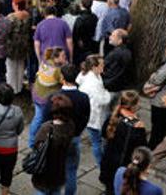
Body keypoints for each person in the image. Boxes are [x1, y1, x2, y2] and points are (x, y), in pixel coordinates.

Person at [52, 64, 91, 195]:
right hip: (74, 137)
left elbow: (47, 119)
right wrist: (78, 131)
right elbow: (86, 117)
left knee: (56, 169)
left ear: (62, 78)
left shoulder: (55, 97)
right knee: (71, 170)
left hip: (57, 138)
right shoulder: (83, 97)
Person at [99, 91, 148, 195]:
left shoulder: (113, 117)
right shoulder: (137, 127)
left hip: (109, 161)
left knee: (109, 188)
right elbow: (141, 149)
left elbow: (103, 134)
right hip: (123, 164)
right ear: (134, 106)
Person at [31, 94, 76, 195]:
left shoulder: (46, 128)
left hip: (44, 172)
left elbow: (36, 145)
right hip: (59, 171)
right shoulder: (71, 126)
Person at [77, 55, 111, 165]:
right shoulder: (93, 83)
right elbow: (103, 100)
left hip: (90, 112)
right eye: (101, 65)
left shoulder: (90, 75)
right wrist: (107, 94)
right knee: (97, 142)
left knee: (97, 139)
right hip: (93, 115)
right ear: (94, 67)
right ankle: (101, 163)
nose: (103, 66)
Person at [29, 47, 63, 148]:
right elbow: (65, 81)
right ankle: (33, 142)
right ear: (56, 58)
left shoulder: (45, 62)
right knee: (40, 119)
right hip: (44, 98)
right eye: (63, 56)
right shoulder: (56, 70)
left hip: (36, 94)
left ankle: (32, 140)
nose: (65, 58)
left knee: (38, 117)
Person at [5, 0, 31, 93]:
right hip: (24, 44)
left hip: (12, 45)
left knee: (11, 66)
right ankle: (19, 87)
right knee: (21, 65)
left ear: (16, 5)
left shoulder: (11, 17)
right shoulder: (28, 15)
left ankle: (12, 88)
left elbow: (7, 31)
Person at [103, 29, 134, 95]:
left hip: (110, 85)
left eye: (113, 36)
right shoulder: (127, 51)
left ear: (120, 40)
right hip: (119, 85)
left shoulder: (115, 53)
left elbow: (104, 67)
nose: (110, 37)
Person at [72, 0, 99, 66]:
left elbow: (75, 36)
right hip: (92, 45)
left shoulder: (80, 20)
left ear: (81, 4)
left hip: (81, 49)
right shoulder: (94, 17)